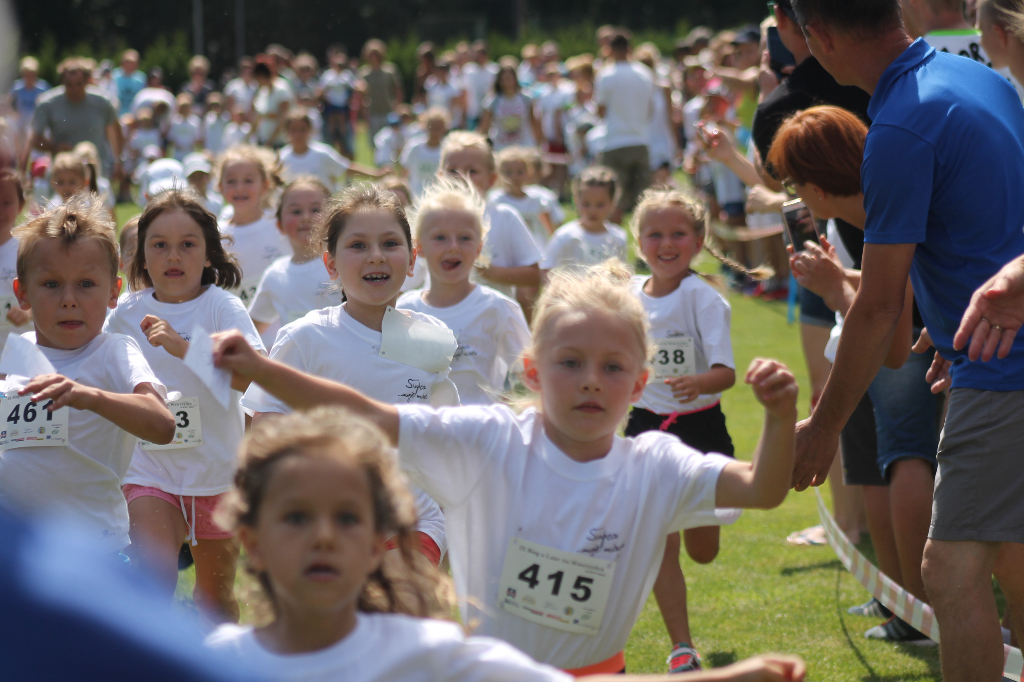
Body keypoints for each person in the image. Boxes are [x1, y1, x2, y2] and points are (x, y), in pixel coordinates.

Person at [211, 260, 798, 675]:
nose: (592, 379)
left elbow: (763, 489)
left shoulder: (657, 465)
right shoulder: (486, 441)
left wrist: (779, 417)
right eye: (570, 362)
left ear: (640, 384)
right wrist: (261, 370)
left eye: (613, 367)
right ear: (534, 370)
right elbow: (368, 414)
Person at [204, 406, 809, 682]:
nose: (324, 537)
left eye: (347, 517)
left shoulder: (432, 654)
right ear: (250, 541)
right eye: (296, 518)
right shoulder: (206, 660)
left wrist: (731, 678)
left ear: (380, 543)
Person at [787, 1, 1024, 679]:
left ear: (822, 38)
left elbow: (878, 305)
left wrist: (824, 426)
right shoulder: (975, 77)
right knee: (1010, 557)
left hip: (1001, 367)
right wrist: (948, 333)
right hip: (981, 353)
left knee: (948, 568)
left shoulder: (897, 127)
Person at [767, 106, 937, 644]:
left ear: (816, 184)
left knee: (907, 456)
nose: (798, 198)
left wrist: (835, 289)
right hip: (948, 345)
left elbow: (892, 340)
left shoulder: (881, 212)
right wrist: (841, 276)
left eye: (796, 184)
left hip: (948, 353)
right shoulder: (886, 194)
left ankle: (918, 608)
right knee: (890, 461)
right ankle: (910, 604)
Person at [239, 184, 451, 567]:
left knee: (399, 616)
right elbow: (264, 434)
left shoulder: (432, 339)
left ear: (413, 258)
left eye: (390, 244)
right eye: (357, 246)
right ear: (331, 264)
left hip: (414, 521)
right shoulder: (306, 338)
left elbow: (444, 435)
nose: (376, 257)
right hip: (326, 526)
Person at [103, 190, 263, 622]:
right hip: (147, 471)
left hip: (216, 475)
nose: (173, 256)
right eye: (159, 245)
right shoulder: (123, 315)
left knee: (215, 601)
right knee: (152, 585)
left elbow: (255, 378)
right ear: (142, 257)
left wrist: (184, 349)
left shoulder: (222, 308)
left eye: (187, 244)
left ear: (209, 254)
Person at [625, 188, 766, 672]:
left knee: (702, 551)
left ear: (700, 240)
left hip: (700, 430)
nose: (666, 244)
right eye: (655, 234)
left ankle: (698, 529)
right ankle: (681, 647)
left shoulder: (703, 299)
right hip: (644, 430)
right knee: (659, 537)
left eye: (678, 234)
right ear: (639, 240)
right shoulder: (628, 295)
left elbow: (726, 373)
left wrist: (698, 381)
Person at [1, 194, 175, 551]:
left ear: (114, 292)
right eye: (51, 284)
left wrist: (89, 397)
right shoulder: (16, 355)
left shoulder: (112, 352)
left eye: (86, 284)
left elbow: (162, 425)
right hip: (18, 555)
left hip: (96, 553)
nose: (69, 299)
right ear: (23, 294)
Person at [397, 178, 531, 405]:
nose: (453, 246)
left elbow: (532, 376)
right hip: (422, 434)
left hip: (480, 435)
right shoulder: (404, 310)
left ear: (479, 248)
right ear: (418, 248)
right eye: (440, 237)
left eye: (465, 238)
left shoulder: (498, 308)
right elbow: (392, 381)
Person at [438, 131, 542, 300]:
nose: (461, 177)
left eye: (472, 171)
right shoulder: (430, 219)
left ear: (492, 179)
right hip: (442, 319)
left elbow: (534, 275)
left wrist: (490, 272)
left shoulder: (504, 217)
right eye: (452, 170)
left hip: (491, 321)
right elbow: (409, 275)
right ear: (440, 176)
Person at [249, 177, 340, 336]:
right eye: (296, 211)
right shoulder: (275, 275)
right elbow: (251, 330)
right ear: (280, 225)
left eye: (316, 210)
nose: (306, 217)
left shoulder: (344, 265)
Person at [217, 145, 291, 308]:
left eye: (248, 180)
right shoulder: (215, 235)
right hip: (237, 329)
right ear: (220, 187)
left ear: (264, 186)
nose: (239, 188)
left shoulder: (281, 226)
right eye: (231, 181)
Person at [28, 57, 123, 180]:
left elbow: (115, 132)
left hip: (96, 171)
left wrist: (118, 161)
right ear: (62, 82)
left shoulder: (103, 102)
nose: (74, 89)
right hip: (63, 173)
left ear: (87, 81)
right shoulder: (48, 103)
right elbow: (35, 139)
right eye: (69, 85)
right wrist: (54, 147)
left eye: (79, 84)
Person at [594, 31, 655, 220]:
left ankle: (615, 245)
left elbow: (600, 111)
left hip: (614, 142)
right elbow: (650, 109)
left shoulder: (606, 74)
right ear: (630, 48)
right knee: (642, 202)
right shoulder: (645, 73)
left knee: (614, 200)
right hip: (640, 141)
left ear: (609, 49)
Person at [540, 166, 627, 276]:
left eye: (600, 205)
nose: (592, 210)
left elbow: (622, 275)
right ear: (576, 200)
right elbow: (546, 270)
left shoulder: (618, 238)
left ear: (612, 203)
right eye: (586, 204)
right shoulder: (566, 236)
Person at [278, 108, 382, 191]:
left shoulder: (322, 153)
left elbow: (347, 168)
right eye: (293, 130)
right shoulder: (282, 158)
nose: (298, 135)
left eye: (302, 130)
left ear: (310, 130)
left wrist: (376, 174)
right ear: (286, 132)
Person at [490, 146, 554, 248]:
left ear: (528, 173)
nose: (514, 177)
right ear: (499, 174)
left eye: (519, 172)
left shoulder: (537, 200)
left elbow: (551, 229)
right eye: (508, 172)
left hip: (537, 250)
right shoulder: (496, 200)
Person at [0, 169, 31, 351]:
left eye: (6, 203)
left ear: (21, 205)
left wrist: (28, 313)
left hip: (20, 357)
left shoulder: (26, 252)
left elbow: (47, 292)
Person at [479, 63, 542, 151]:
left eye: (509, 78)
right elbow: (485, 126)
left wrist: (539, 142)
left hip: (524, 145)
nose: (507, 82)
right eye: (503, 79)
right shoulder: (492, 101)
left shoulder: (526, 99)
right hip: (501, 146)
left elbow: (534, 122)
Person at [359, 40, 404, 147]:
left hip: (388, 111)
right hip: (372, 112)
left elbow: (398, 90)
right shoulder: (364, 73)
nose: (374, 56)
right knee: (374, 143)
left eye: (376, 54)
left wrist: (396, 107)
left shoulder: (390, 70)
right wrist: (364, 112)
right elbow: (361, 95)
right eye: (371, 54)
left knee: (390, 142)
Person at [399, 108, 449, 200]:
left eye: (439, 128)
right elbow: (404, 172)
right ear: (426, 126)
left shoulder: (447, 149)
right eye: (432, 127)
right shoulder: (414, 146)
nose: (435, 131)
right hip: (415, 195)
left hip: (437, 196)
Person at [8, 56, 50, 154]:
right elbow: (8, 102)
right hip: (21, 120)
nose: (29, 77)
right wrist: (13, 113)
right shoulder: (17, 87)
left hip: (36, 121)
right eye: (26, 74)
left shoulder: (42, 87)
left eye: (32, 74)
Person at [252, 59, 293, 149]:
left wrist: (270, 142)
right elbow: (258, 117)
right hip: (263, 140)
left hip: (278, 143)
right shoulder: (262, 91)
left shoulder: (282, 90)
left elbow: (283, 118)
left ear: (262, 76)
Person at [462, 41, 499, 131]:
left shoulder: (494, 69)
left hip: (491, 112)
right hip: (473, 112)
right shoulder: (468, 70)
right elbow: (465, 91)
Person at [113, 50, 146, 117]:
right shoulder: (114, 76)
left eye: (132, 63)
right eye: (127, 62)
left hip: (134, 115)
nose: (129, 65)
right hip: (116, 113)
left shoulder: (141, 79)